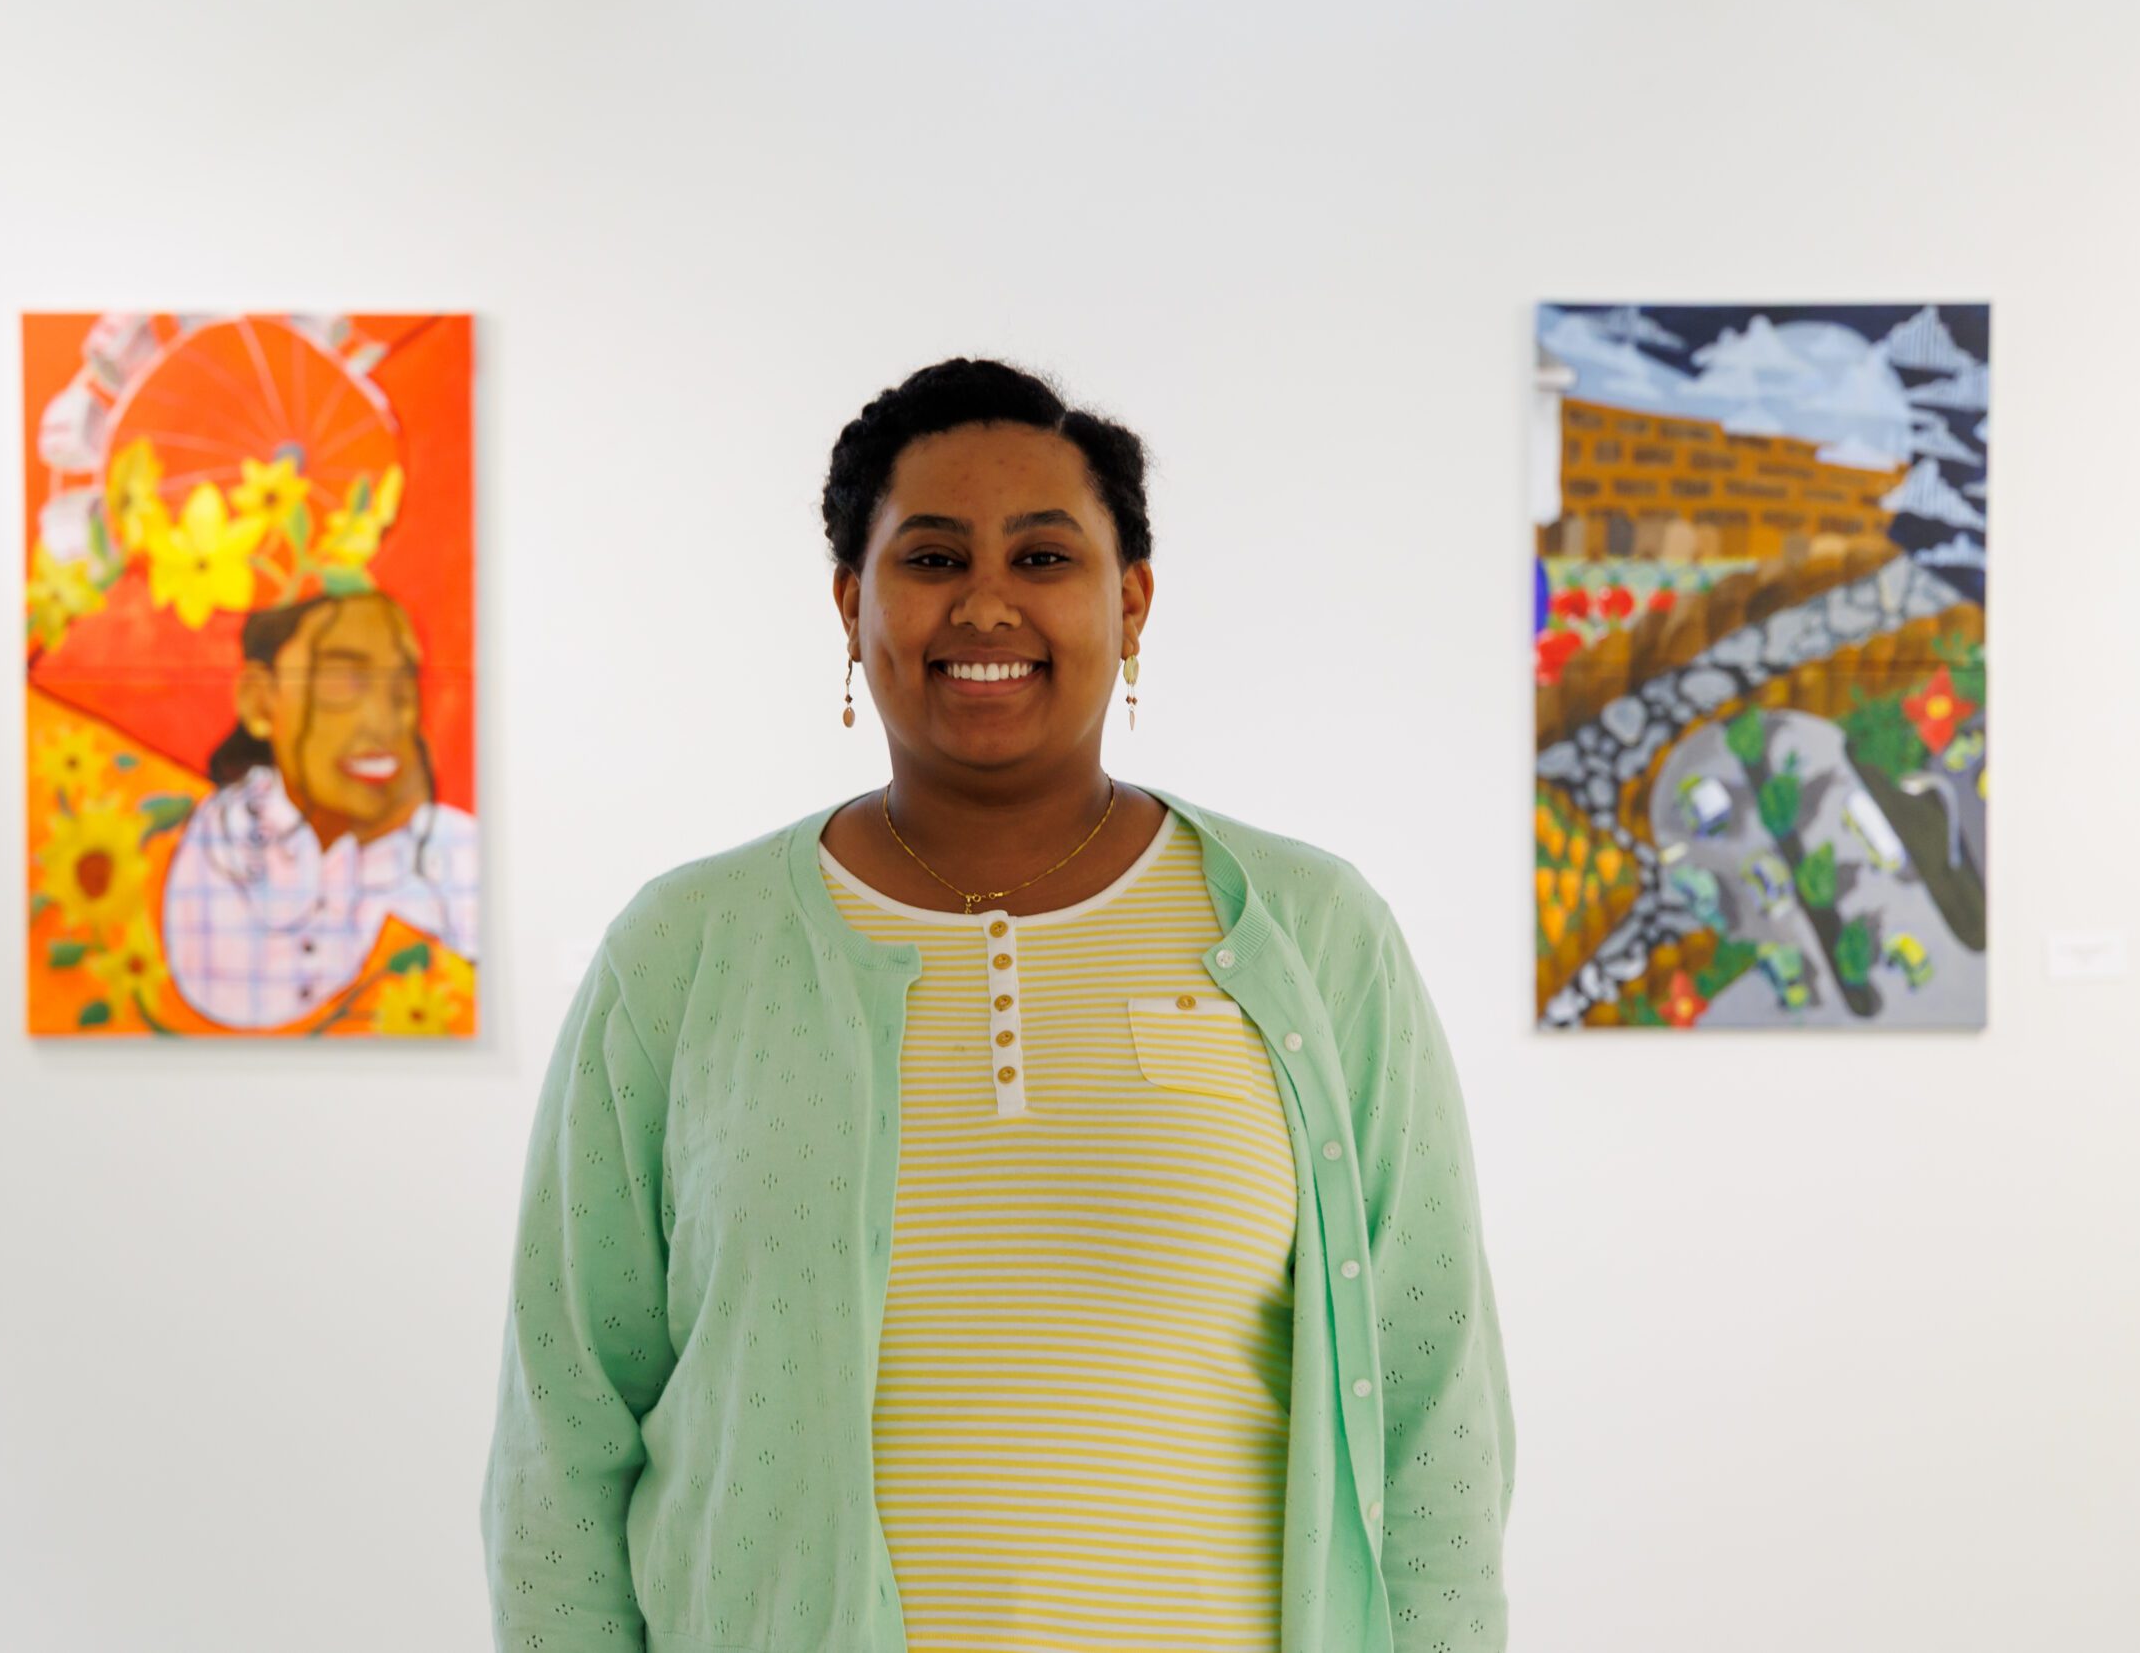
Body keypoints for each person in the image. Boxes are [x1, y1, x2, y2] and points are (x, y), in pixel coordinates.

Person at [482, 359, 1513, 1652]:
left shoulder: (1310, 932)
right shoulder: (686, 952)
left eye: (1042, 557)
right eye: (929, 557)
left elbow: (1433, 1412)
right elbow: (567, 1429)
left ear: (1130, 602)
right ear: (851, 602)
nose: (984, 602)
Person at [162, 589, 479, 1029]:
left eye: (402, 682)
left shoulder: (458, 853)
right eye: (343, 679)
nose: (386, 720)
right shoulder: (217, 843)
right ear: (259, 700)